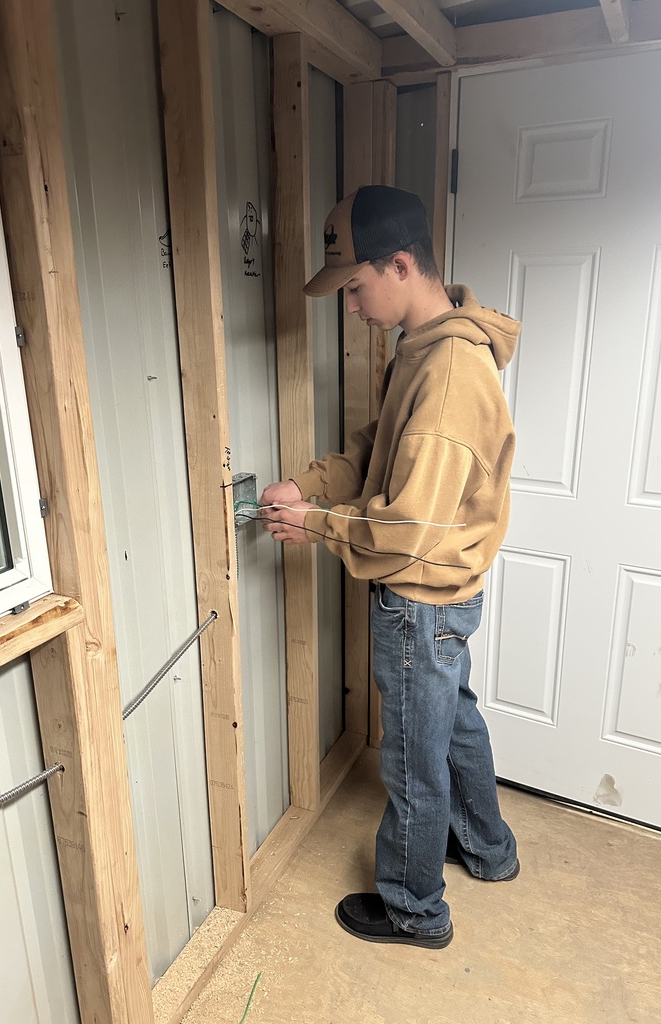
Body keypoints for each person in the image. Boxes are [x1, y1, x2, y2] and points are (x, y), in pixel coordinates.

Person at [260, 185, 520, 949]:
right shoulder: (430, 347)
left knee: (411, 755)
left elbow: (407, 529)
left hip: (419, 595)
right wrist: (309, 484)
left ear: (400, 265)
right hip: (449, 589)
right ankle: (487, 848)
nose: (351, 306)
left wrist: (314, 525)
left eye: (354, 286)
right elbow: (383, 445)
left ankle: (414, 909)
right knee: (454, 720)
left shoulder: (447, 377)